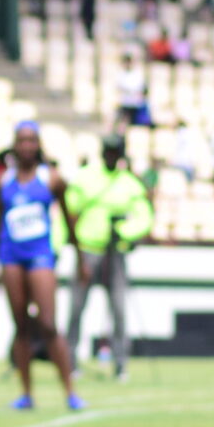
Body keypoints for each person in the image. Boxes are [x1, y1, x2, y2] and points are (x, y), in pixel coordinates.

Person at [0, 120, 82, 412]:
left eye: (32, 140)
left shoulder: (51, 179)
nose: (27, 146)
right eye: (22, 140)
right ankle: (26, 393)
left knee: (49, 324)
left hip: (41, 256)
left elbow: (67, 218)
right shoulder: (2, 183)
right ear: (14, 145)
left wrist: (79, 256)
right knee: (21, 327)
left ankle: (69, 392)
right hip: (11, 257)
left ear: (38, 145)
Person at [64, 133, 155, 379]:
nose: (112, 157)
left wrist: (124, 233)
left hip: (116, 253)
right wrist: (65, 243)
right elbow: (68, 212)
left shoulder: (129, 183)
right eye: (109, 152)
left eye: (116, 153)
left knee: (118, 309)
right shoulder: (86, 178)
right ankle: (69, 361)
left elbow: (144, 217)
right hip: (88, 251)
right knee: (76, 308)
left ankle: (121, 363)